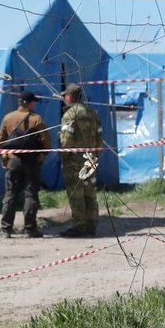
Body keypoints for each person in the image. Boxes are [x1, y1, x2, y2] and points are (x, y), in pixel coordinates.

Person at [0, 90, 50, 238]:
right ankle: (29, 229)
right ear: (30, 103)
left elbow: (0, 141)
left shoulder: (8, 118)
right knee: (31, 195)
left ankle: (6, 230)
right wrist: (42, 155)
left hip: (13, 160)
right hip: (32, 162)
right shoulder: (36, 119)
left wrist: (4, 159)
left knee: (10, 195)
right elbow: (46, 138)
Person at [58, 84, 101, 238]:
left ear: (70, 96)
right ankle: (91, 224)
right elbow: (99, 136)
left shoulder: (70, 115)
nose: (64, 99)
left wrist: (63, 157)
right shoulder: (92, 112)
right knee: (90, 191)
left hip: (74, 160)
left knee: (76, 192)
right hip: (90, 158)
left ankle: (80, 225)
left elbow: (67, 140)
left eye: (65, 96)